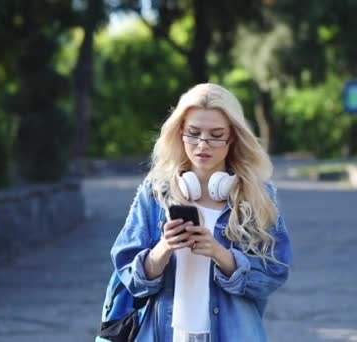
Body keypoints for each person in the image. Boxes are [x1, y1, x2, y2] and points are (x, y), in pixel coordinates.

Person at [109, 83, 292, 342]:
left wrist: (220, 254)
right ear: (179, 132)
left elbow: (274, 274)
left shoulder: (258, 195)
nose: (202, 144)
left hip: (233, 333)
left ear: (233, 138)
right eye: (193, 133)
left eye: (216, 135)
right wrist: (164, 248)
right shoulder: (155, 193)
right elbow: (129, 275)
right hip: (163, 334)